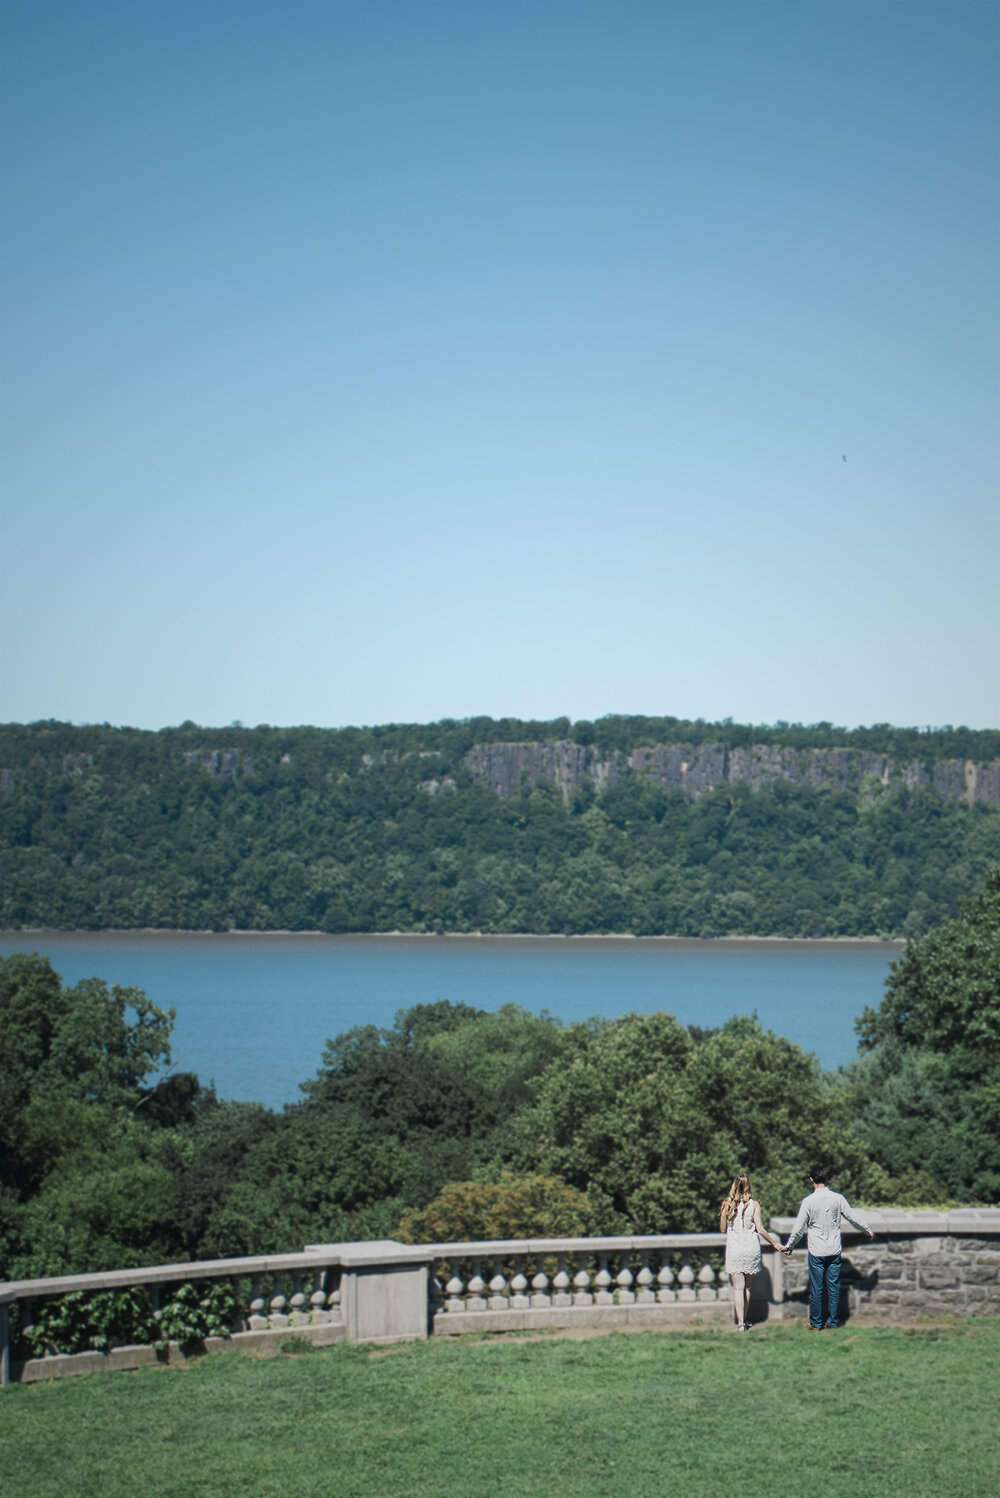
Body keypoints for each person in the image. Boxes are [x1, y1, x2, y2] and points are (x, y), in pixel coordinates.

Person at [780, 1165, 875, 1329]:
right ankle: (833, 1321)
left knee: (816, 1288)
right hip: (834, 1249)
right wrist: (867, 1230)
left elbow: (798, 1228)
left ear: (811, 1180)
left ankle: (816, 1323)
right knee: (834, 1287)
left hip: (817, 1251)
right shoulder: (837, 1198)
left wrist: (790, 1246)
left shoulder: (808, 1202)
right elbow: (853, 1217)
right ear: (826, 1179)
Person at [719, 1172, 784, 1331]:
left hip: (735, 1248)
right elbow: (760, 1229)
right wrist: (775, 1243)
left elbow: (722, 1229)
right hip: (750, 1248)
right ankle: (745, 1319)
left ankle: (740, 1322)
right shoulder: (754, 1205)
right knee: (747, 1287)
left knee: (737, 1288)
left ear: (734, 1185)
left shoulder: (727, 1204)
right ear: (749, 1186)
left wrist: (724, 1215)